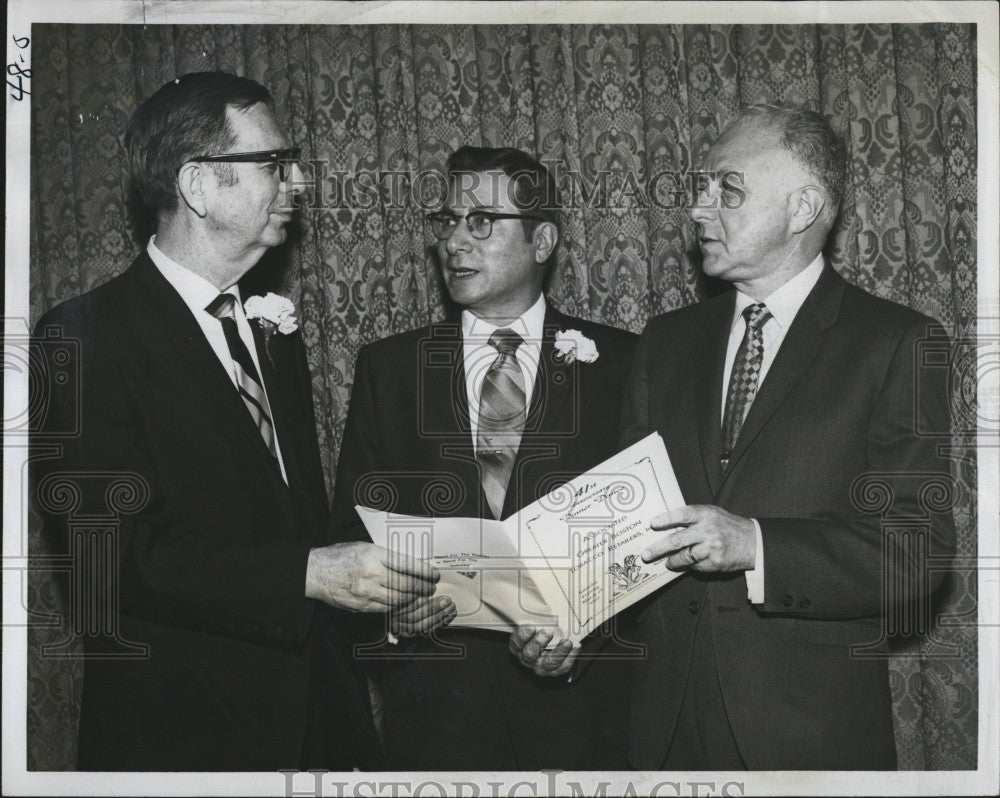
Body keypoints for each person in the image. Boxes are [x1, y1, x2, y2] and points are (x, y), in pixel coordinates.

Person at [517, 105, 956, 769]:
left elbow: (917, 551)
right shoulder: (665, 344)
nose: (697, 209)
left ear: (803, 207)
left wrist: (754, 543)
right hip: (664, 733)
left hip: (808, 740)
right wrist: (573, 623)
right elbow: (626, 534)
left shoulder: (895, 344)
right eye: (700, 187)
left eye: (727, 189)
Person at [30, 71, 437, 771]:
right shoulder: (84, 336)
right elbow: (114, 557)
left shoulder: (271, 332)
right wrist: (309, 574)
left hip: (321, 730)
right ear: (198, 185)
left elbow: (296, 526)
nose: (298, 183)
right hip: (188, 740)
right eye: (275, 163)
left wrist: (381, 604)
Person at [329, 146, 638, 770]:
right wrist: (392, 617)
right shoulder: (389, 370)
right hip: (438, 729)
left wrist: (583, 636)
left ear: (542, 240)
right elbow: (348, 531)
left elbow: (646, 539)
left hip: (582, 732)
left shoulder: (625, 365)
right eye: (447, 222)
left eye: (482, 222)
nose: (455, 243)